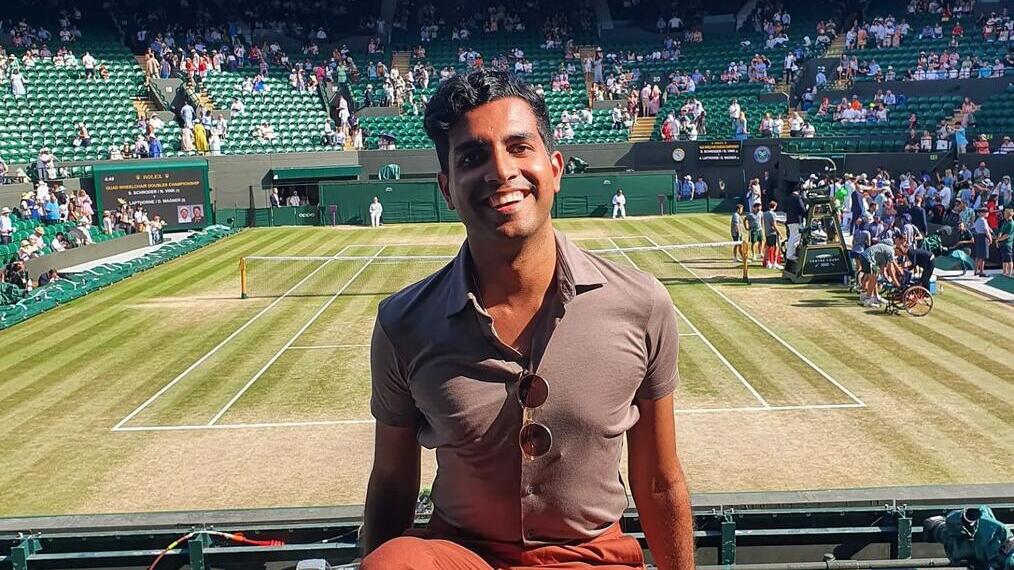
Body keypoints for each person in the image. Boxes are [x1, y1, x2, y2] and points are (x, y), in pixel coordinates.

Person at [361, 69, 693, 570]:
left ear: (555, 168)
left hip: (591, 558)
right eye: (472, 157)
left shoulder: (642, 304)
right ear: (447, 189)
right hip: (463, 557)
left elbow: (659, 480)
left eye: (519, 147)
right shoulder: (402, 323)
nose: (500, 170)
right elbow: (391, 481)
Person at [859, 241, 902, 308]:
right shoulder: (891, 251)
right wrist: (895, 281)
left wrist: (885, 277)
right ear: (897, 250)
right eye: (900, 253)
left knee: (875, 277)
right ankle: (868, 300)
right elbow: (891, 269)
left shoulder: (885, 252)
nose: (899, 256)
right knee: (873, 279)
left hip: (864, 257)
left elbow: (882, 268)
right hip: (868, 258)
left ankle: (876, 297)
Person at [784, 185, 805, 260]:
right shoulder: (797, 197)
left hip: (790, 220)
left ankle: (789, 254)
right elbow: (802, 208)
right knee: (796, 238)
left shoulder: (788, 198)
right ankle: (790, 255)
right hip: (796, 220)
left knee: (791, 237)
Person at [972, 207, 993, 277]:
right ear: (983, 213)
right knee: (983, 256)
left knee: (978, 255)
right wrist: (990, 238)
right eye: (986, 212)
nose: (987, 214)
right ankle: (981, 271)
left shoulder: (977, 220)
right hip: (983, 237)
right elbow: (986, 231)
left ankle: (975, 270)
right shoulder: (983, 220)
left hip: (978, 236)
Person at [763, 200, 782, 270]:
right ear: (774, 206)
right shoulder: (773, 214)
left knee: (768, 248)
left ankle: (768, 262)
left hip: (767, 233)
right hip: (773, 233)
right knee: (776, 247)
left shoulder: (765, 214)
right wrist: (779, 233)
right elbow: (774, 224)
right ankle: (775, 263)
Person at [995, 208, 1014, 278]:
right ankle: (1004, 272)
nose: (1004, 214)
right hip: (1002, 243)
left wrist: (998, 240)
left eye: (1005, 213)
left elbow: (1006, 235)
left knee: (1009, 259)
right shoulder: (1005, 222)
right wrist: (998, 239)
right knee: (1004, 259)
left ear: (1008, 214)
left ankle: (1009, 273)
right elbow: (1001, 231)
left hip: (1007, 243)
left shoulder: (1011, 223)